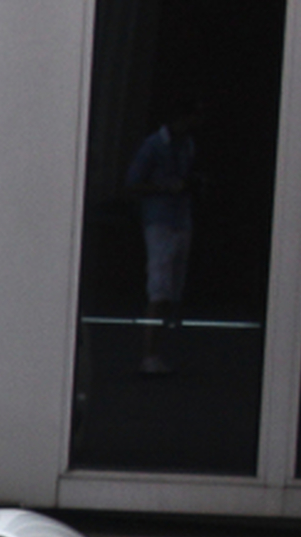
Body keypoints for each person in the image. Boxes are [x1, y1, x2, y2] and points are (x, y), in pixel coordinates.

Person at [127, 101, 200, 375]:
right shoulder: (154, 145)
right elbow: (133, 182)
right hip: (159, 221)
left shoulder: (186, 145)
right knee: (159, 288)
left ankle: (159, 351)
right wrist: (165, 187)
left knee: (172, 290)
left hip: (180, 218)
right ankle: (149, 353)